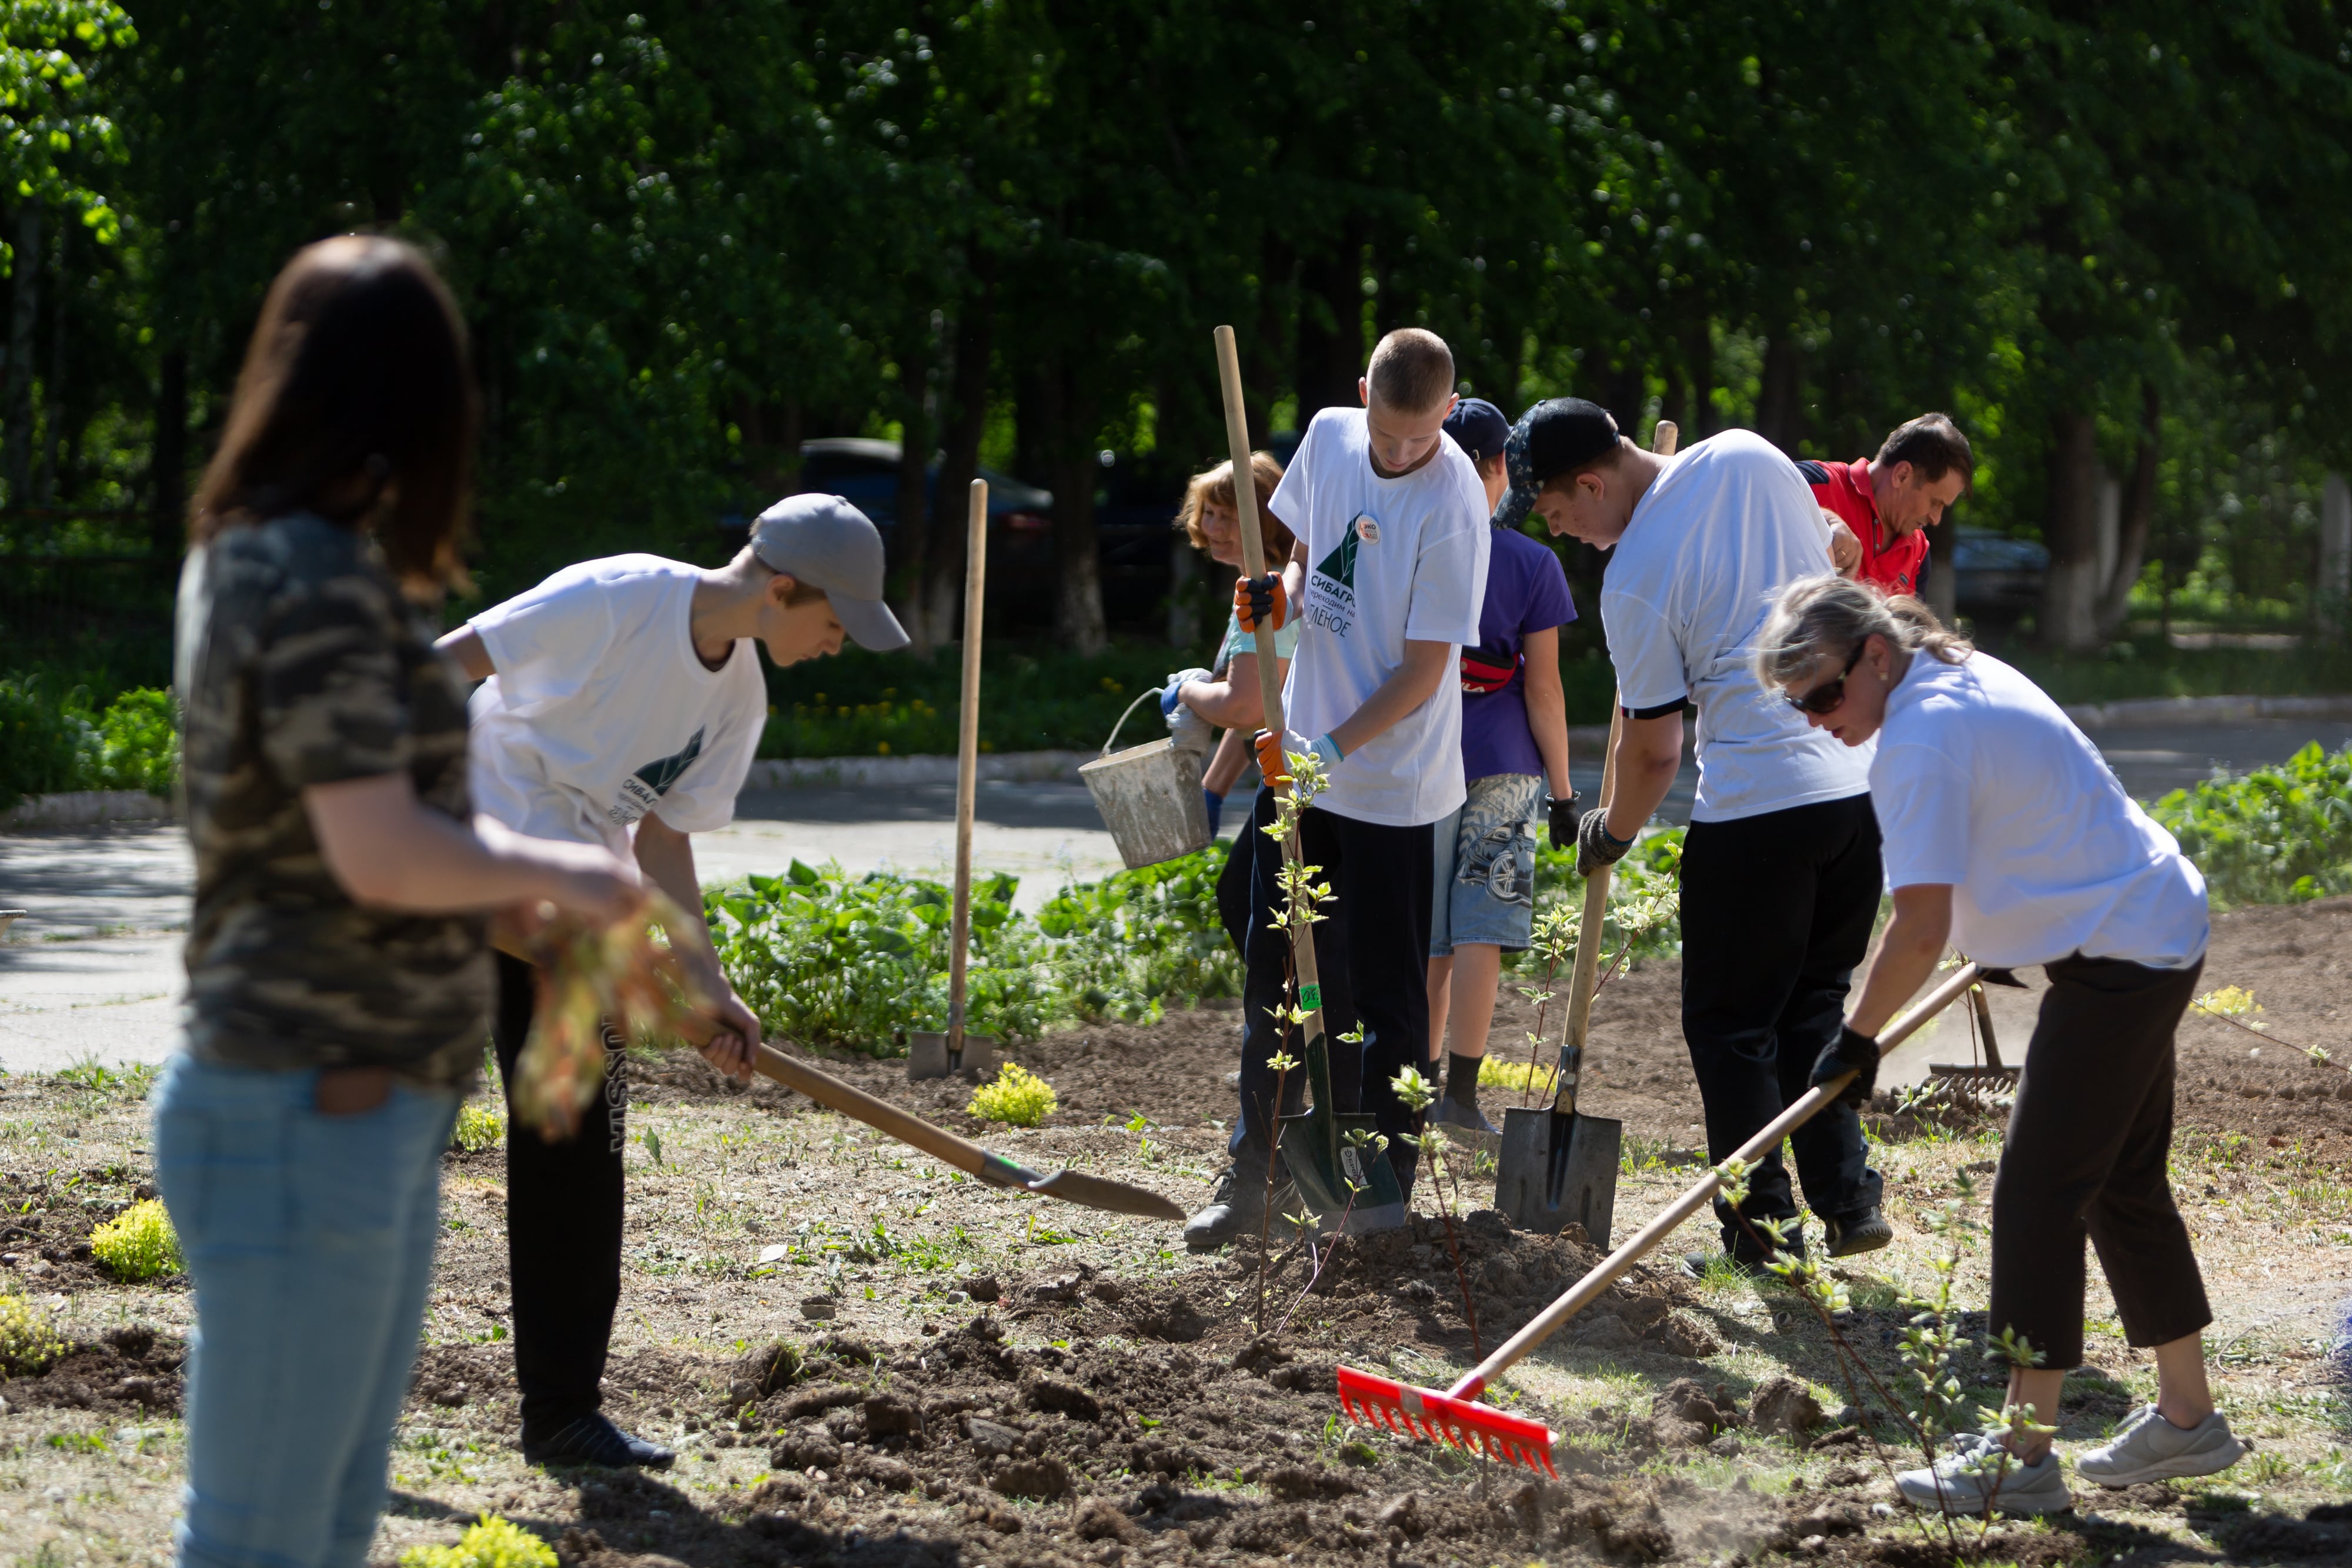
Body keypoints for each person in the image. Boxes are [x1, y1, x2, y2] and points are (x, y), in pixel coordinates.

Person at [162, 236, 642, 1568]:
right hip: (303, 1109)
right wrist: (572, 873)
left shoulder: (250, 558)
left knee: (306, 1527)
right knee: (266, 1536)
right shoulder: (309, 577)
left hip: (322, 1100)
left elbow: (358, 826)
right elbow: (377, 849)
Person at [435, 494, 909, 1466]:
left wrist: (710, 983)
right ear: (781, 588)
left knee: (579, 1134)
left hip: (568, 904)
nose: (836, 647)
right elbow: (444, 665)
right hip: (460, 847)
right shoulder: (616, 599)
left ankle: (562, 1408)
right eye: (833, 624)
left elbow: (665, 843)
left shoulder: (738, 697)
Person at [1754, 576, 2240, 1515]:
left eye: (1823, 693)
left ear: (1876, 657)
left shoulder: (1922, 739)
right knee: (2120, 1182)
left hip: (2124, 951)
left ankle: (2023, 1457)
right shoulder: (1950, 675)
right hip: (2144, 921)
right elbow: (2023, 822)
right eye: (1796, 703)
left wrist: (1855, 1042)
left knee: (2036, 1192)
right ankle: (2190, 1418)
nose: (1815, 718)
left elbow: (1919, 926)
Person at [1504, 399, 1892, 1271]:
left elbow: (1653, 750)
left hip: (1756, 810)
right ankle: (1846, 1195)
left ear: (1594, 482)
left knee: (1732, 1027)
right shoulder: (1755, 454)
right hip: (1853, 799)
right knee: (1814, 1007)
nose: (1572, 538)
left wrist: (1612, 832)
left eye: (1564, 517)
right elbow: (1839, 544)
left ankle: (1761, 1230)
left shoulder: (1635, 577)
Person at [1183, 327, 1490, 1248]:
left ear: (1450, 407)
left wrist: (1326, 747)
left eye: (1418, 436)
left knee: (1389, 991)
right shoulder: (1326, 436)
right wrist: (1276, 599)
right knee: (1272, 963)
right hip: (1307, 762)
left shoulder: (1455, 502)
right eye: (1385, 434)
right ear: (1363, 395)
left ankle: (1382, 1183)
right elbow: (1309, 564)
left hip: (1396, 785)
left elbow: (1425, 671)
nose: (1398, 454)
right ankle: (1256, 1173)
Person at [1424, 397, 1576, 1135]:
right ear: (1496, 469)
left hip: (1418, 762)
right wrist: (1566, 793)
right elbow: (1543, 689)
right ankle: (1459, 1096)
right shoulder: (1532, 563)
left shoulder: (1412, 548)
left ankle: (1409, 1087)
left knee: (1427, 936)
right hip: (1507, 768)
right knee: (1479, 928)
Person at [1161, 453, 1295, 954]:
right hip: (1291, 774)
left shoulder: (1268, 594)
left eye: (1230, 516)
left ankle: (1297, 1025)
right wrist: (1211, 791)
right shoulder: (1263, 585)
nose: (1212, 527)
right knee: (1250, 902)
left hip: (1302, 784)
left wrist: (1185, 691)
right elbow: (1261, 715)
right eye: (1208, 514)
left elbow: (1244, 708)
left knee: (1253, 907)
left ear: (1264, 520)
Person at [1800, 412, 1973, 597]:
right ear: (1902, 475)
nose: (1936, 519)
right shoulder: (1816, 482)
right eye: (1935, 503)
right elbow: (1766, 488)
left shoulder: (1919, 555)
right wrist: (1826, 519)